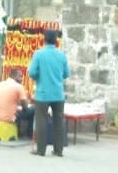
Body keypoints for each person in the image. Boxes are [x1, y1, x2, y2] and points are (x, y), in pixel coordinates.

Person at [28, 29, 69, 157]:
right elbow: (66, 74)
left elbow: (32, 73)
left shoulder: (38, 54)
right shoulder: (61, 55)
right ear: (56, 41)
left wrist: (41, 76)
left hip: (42, 94)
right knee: (59, 122)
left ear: (43, 39)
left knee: (41, 121)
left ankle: (40, 150)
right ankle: (58, 150)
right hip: (58, 94)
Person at [0, 68, 34, 137]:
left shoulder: (0, 84)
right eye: (20, 76)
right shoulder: (19, 87)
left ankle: (18, 131)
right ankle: (29, 134)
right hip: (10, 118)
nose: (22, 79)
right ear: (14, 76)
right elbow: (25, 107)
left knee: (16, 111)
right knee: (34, 109)